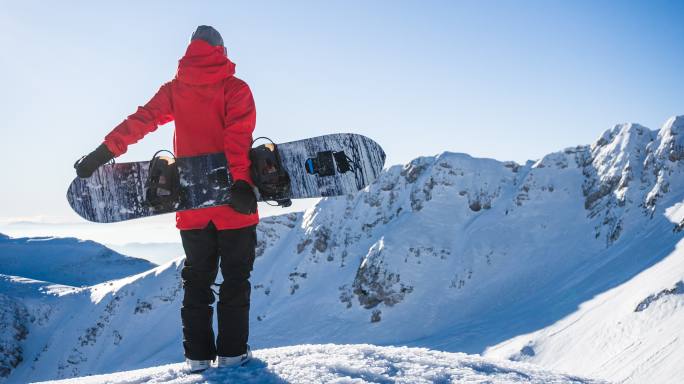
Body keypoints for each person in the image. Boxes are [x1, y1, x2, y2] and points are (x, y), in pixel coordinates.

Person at [74, 25, 258, 372]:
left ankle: (198, 357)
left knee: (197, 280)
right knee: (236, 279)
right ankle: (233, 352)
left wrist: (102, 153)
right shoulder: (235, 88)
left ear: (190, 51)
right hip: (236, 204)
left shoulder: (175, 90)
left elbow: (141, 120)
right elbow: (237, 135)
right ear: (221, 50)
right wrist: (242, 181)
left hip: (192, 209)